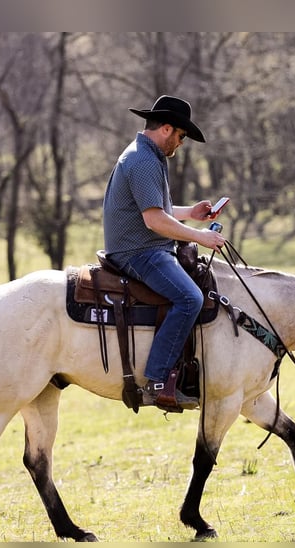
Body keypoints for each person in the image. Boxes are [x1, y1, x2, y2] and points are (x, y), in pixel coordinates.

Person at [102, 95, 225, 412]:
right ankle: (156, 381)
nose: (181, 144)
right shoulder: (143, 162)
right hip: (140, 252)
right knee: (190, 299)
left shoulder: (146, 155)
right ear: (167, 128)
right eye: (181, 136)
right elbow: (153, 220)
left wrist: (191, 214)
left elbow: (158, 209)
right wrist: (200, 236)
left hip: (142, 246)